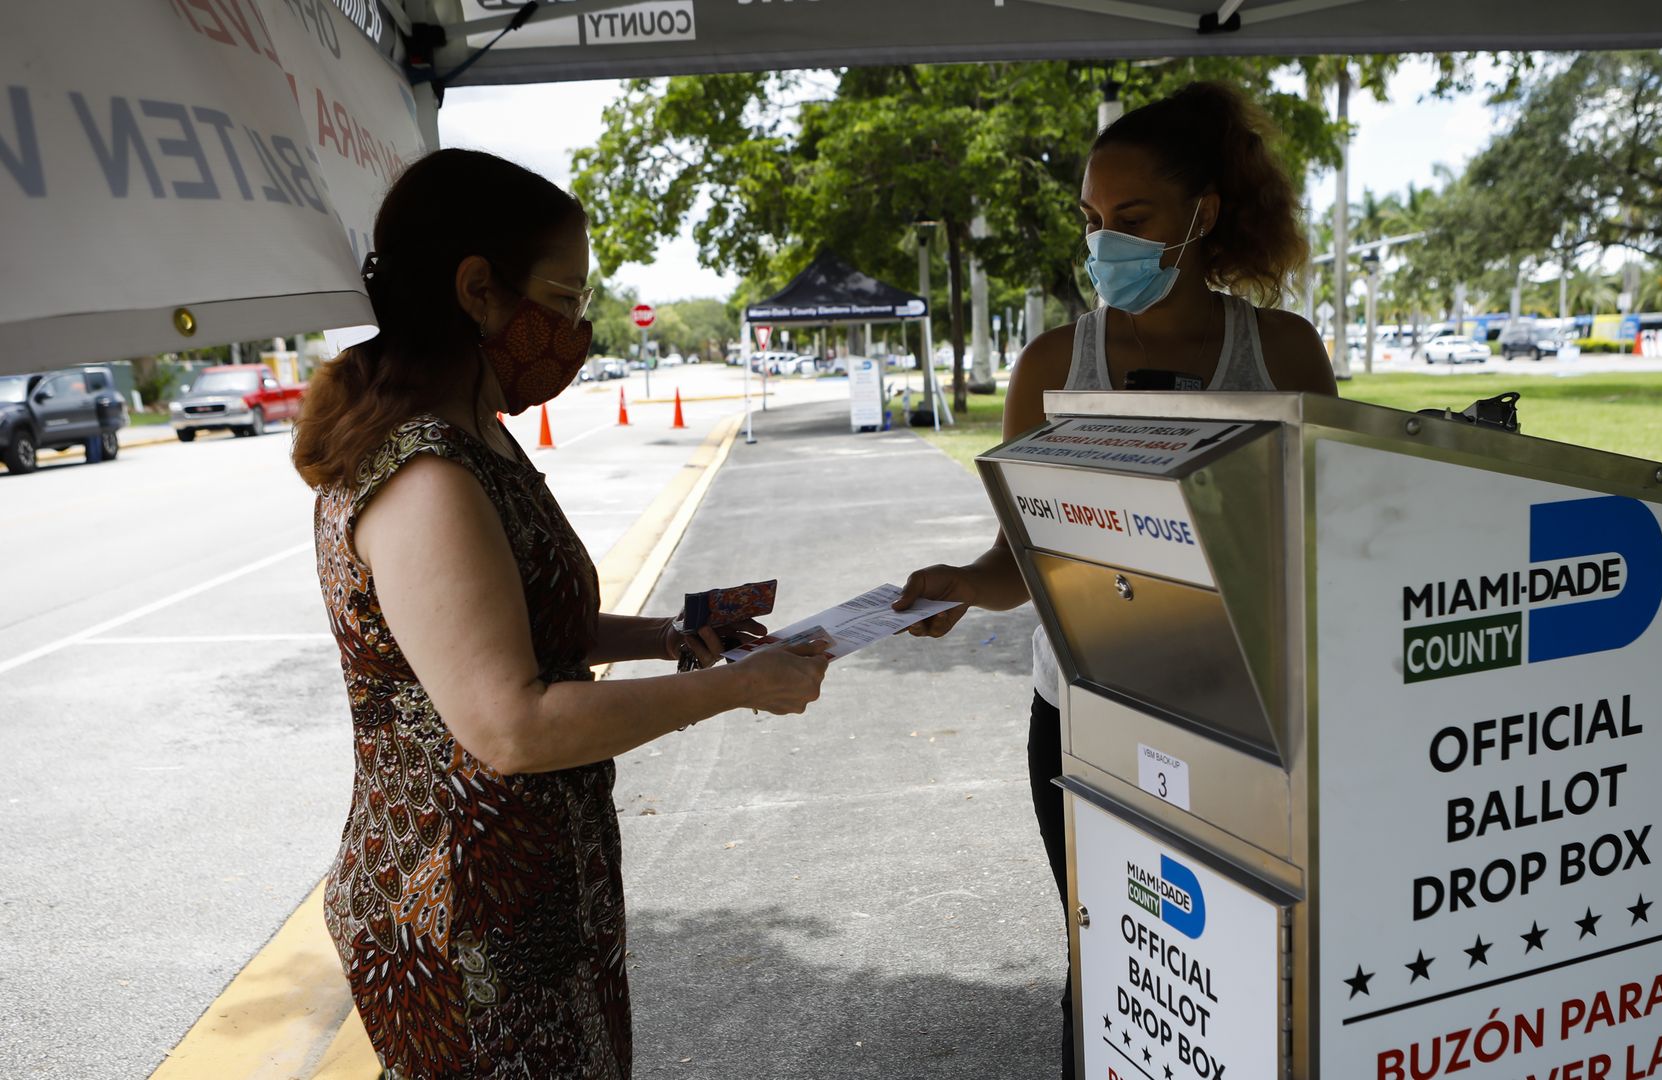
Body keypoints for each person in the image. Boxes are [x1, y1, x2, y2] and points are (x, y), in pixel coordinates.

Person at [292, 149, 831, 1078]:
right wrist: (737, 690)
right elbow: (512, 724)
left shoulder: (473, 438)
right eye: (566, 298)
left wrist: (672, 639)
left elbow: (539, 631)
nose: (577, 328)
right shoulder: (426, 474)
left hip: (529, 888)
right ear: (477, 289)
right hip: (465, 914)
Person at [891, 81, 1337, 1078]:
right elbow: (1021, 565)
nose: (1106, 244)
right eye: (1094, 222)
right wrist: (964, 585)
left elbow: (1324, 547)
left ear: (1203, 214)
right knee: (1112, 968)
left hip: (1251, 729)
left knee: (1253, 972)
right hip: (1084, 721)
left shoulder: (1283, 355)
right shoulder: (1054, 362)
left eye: (1132, 220)